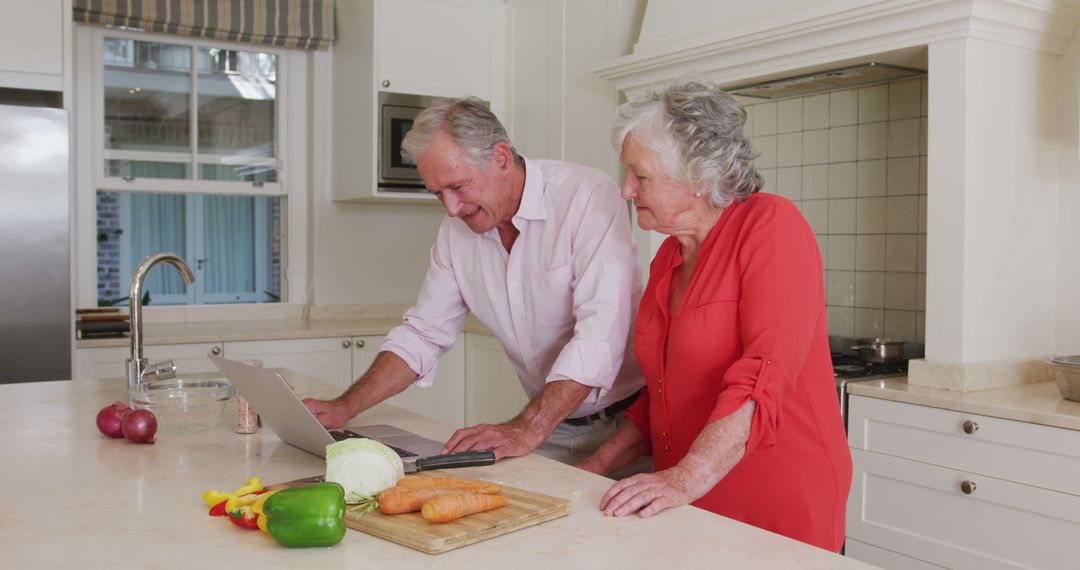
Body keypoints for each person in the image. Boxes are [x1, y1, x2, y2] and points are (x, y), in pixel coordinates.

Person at [576, 75, 852, 552]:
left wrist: (685, 477)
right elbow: (663, 391)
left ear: (698, 179)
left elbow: (762, 377)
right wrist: (596, 465)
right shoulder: (669, 255)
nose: (625, 190)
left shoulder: (771, 226)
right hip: (687, 495)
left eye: (640, 176)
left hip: (773, 499)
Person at [304, 98, 646, 466]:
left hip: (630, 425)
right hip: (552, 425)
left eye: (458, 186)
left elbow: (599, 336)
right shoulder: (456, 232)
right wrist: (344, 407)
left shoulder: (585, 195)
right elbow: (423, 334)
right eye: (438, 194)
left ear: (500, 158)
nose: (451, 208)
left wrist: (528, 427)